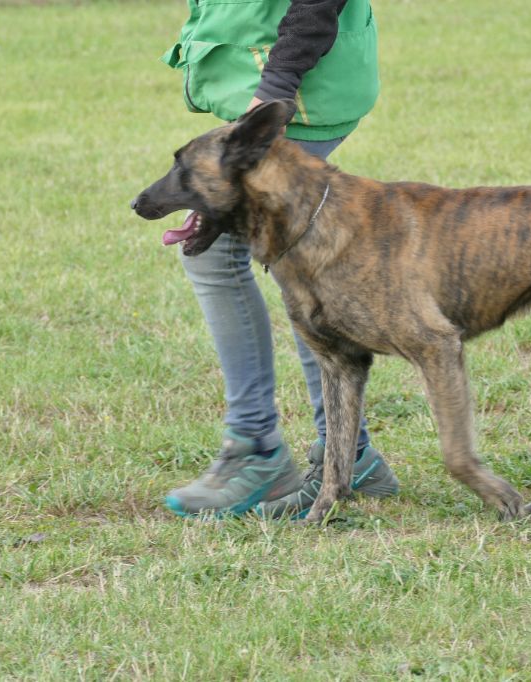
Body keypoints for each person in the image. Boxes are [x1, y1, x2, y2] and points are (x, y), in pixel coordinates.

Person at [158, 0, 399, 519]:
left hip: (290, 88)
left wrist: (276, 85)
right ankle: (349, 454)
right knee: (293, 263)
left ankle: (259, 452)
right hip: (263, 81)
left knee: (229, 257)